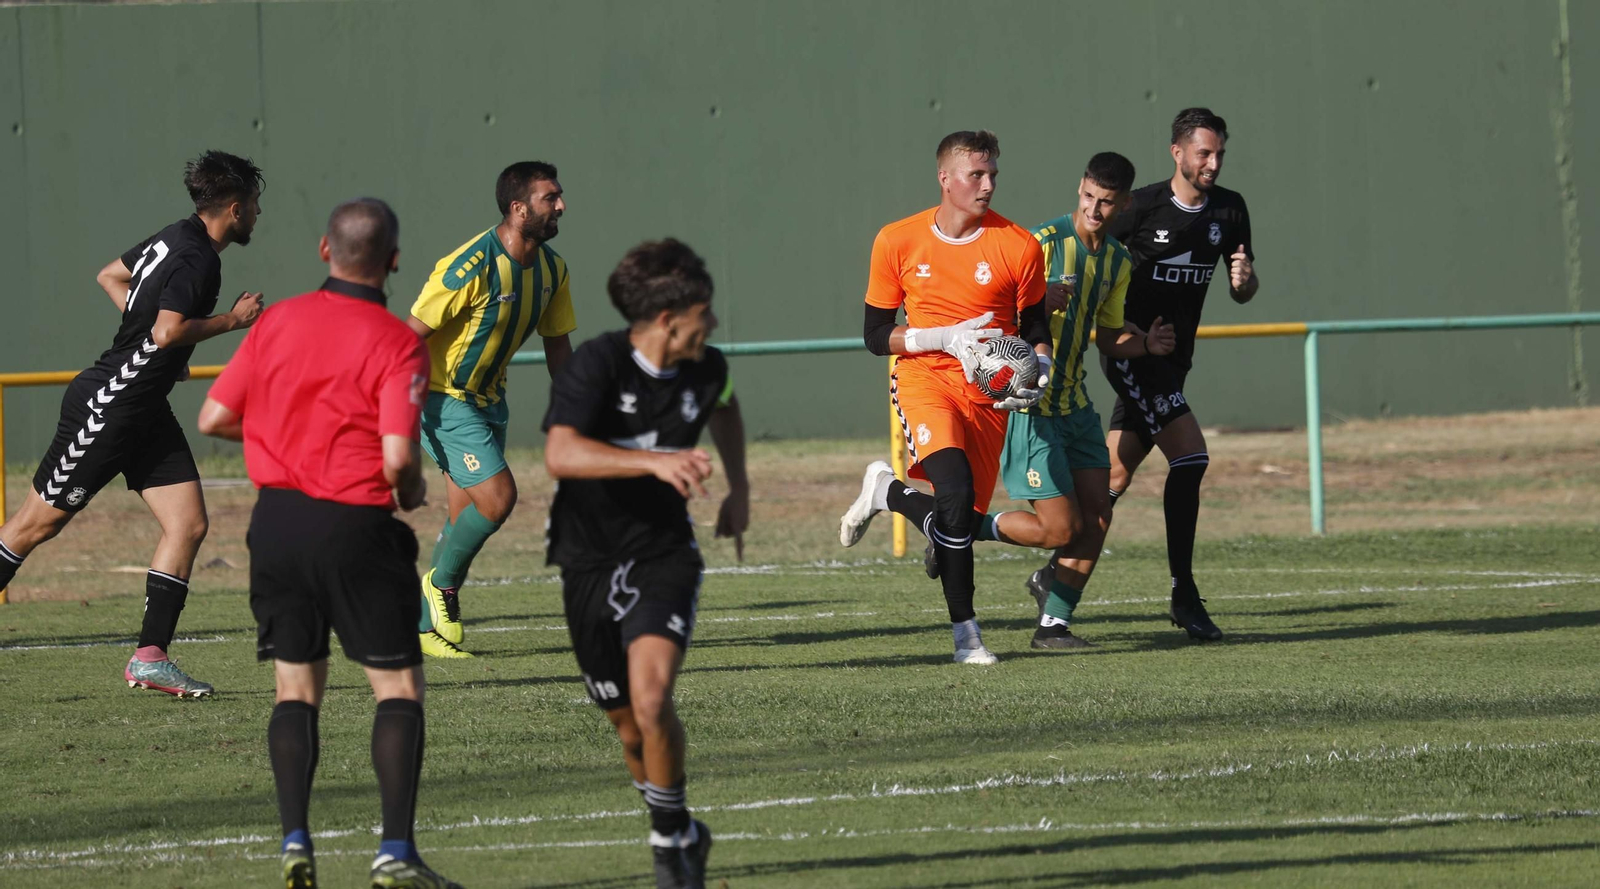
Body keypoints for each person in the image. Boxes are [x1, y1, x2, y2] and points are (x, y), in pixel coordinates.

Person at [198, 199, 462, 889]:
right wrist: (409, 492)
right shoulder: (397, 341)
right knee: (398, 686)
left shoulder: (277, 319)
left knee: (294, 688)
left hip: (277, 526)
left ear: (324, 250)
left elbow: (215, 415)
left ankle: (295, 843)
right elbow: (400, 455)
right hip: (354, 524)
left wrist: (279, 440)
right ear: (395, 260)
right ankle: (395, 853)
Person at [0, 150, 265, 698]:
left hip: (144, 407)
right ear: (234, 208)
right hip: (110, 405)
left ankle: (150, 658)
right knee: (33, 527)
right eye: (256, 205)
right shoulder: (198, 258)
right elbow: (169, 331)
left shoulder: (174, 236)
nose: (259, 215)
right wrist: (230, 322)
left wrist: (156, 352)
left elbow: (111, 277)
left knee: (188, 524)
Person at [543, 238, 747, 889]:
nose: (711, 324)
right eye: (703, 312)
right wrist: (655, 460)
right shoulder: (598, 364)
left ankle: (667, 852)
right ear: (667, 318)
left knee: (653, 700)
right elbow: (562, 454)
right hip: (586, 559)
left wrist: (739, 488)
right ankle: (683, 824)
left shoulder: (707, 368)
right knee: (629, 728)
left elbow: (726, 406)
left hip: (664, 555)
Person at [1030, 107, 1257, 641]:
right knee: (1192, 456)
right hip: (1133, 356)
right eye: (1204, 152)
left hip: (1172, 363)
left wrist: (1244, 280)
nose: (1213, 162)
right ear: (1177, 152)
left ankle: (1053, 576)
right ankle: (1184, 593)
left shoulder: (1230, 210)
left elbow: (1241, 287)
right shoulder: (1140, 207)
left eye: (1219, 152)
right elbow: (1091, 255)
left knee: (1111, 479)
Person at [838, 130, 1049, 665]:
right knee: (953, 496)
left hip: (987, 397)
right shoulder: (897, 240)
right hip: (924, 379)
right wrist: (944, 336)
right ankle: (967, 639)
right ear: (945, 179)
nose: (988, 184)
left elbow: (1037, 326)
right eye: (976, 174)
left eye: (993, 173)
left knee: (957, 522)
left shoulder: (1020, 245)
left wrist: (1039, 369)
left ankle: (888, 493)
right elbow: (873, 335)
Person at [999, 152, 1175, 649]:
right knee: (1060, 529)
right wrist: (1032, 302)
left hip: (1075, 407)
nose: (1094, 210)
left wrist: (1146, 344)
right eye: (1089, 197)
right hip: (1032, 405)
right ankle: (959, 530)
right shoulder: (1041, 243)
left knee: (1098, 516)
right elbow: (994, 312)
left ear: (1122, 205)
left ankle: (1053, 624)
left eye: (1106, 203)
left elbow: (1110, 335)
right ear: (1080, 187)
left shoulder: (1118, 260)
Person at [407, 161, 577, 658]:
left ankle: (424, 629)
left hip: (488, 403)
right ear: (518, 208)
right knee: (499, 498)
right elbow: (407, 339)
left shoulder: (553, 269)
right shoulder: (468, 266)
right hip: (442, 399)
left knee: (465, 518)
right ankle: (438, 588)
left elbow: (559, 348)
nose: (562, 205)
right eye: (551, 198)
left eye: (560, 196)